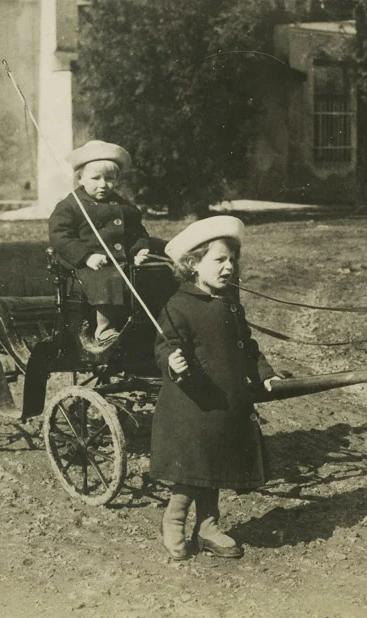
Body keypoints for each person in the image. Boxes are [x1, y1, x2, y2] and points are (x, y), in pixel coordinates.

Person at [151, 216, 283, 560]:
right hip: (193, 405)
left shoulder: (230, 303)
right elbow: (165, 346)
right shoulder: (178, 306)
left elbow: (247, 347)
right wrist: (172, 363)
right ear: (193, 264)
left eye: (232, 260)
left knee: (216, 466)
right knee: (193, 471)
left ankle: (208, 527)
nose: (229, 267)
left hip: (226, 403)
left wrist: (265, 374)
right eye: (219, 260)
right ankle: (174, 520)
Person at [48, 140, 152, 343]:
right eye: (95, 178)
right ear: (80, 178)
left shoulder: (123, 205)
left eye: (110, 179)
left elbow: (138, 232)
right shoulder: (71, 205)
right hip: (84, 263)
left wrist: (139, 250)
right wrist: (86, 256)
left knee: (146, 275)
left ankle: (141, 324)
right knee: (107, 277)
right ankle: (104, 329)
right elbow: (60, 235)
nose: (103, 184)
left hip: (119, 259)